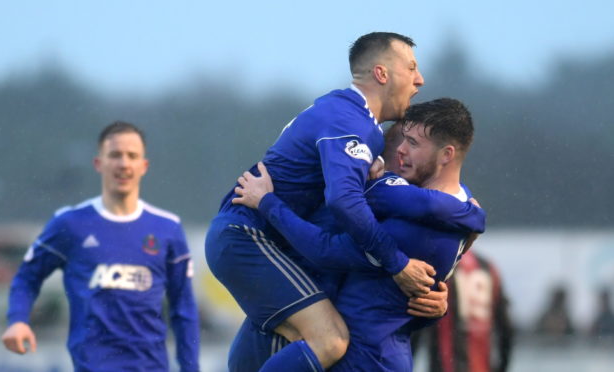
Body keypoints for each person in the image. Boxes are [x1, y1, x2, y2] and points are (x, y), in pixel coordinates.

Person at [205, 31, 434, 372]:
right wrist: (397, 264)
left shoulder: (347, 115)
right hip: (249, 238)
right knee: (330, 339)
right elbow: (344, 201)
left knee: (266, 356)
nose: (420, 79)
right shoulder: (351, 121)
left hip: (271, 247)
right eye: (412, 67)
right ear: (382, 74)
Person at [233, 98, 485, 371]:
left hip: (361, 359)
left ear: (447, 154)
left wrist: (268, 203)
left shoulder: (408, 226)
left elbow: (325, 248)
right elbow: (414, 310)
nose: (401, 151)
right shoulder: (464, 202)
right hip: (389, 356)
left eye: (412, 143)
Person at [1, 121, 200, 372]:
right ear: (99, 163)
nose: (123, 163)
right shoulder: (70, 224)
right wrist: (18, 320)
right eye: (115, 155)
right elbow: (27, 278)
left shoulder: (167, 228)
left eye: (132, 156)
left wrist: (190, 367)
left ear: (143, 166)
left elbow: (183, 308)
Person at [411, 249, 514, 372]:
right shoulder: (487, 267)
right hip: (482, 366)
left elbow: (416, 324)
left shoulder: (440, 267)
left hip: (446, 366)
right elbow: (506, 329)